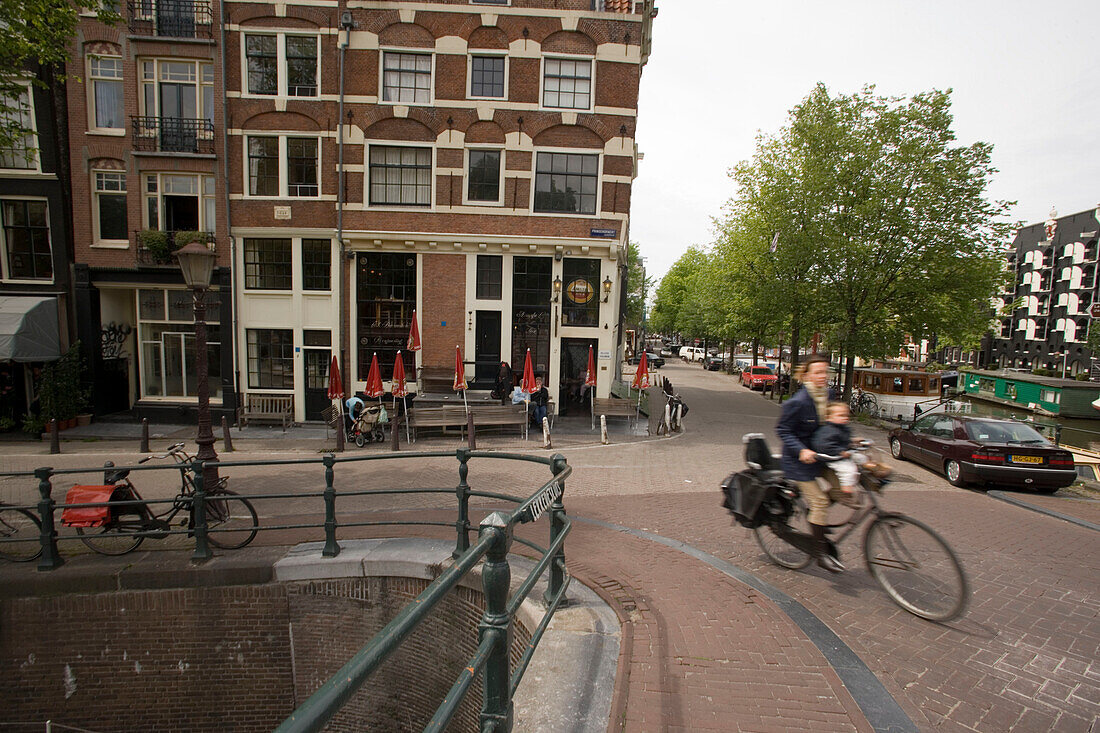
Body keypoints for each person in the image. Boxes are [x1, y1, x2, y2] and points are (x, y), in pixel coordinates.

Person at [776, 354, 858, 573]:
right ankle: (820, 553)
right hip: (799, 462)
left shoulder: (829, 394)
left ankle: (816, 521)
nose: (823, 376)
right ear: (806, 375)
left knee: (845, 491)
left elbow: (834, 423)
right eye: (818, 372)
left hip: (822, 457)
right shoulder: (797, 402)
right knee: (821, 502)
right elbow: (783, 430)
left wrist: (849, 441)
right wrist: (801, 450)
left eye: (825, 372)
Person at [812, 402, 864, 494]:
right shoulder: (827, 430)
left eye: (846, 415)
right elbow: (824, 445)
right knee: (849, 469)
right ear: (829, 417)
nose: (845, 418)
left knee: (860, 457)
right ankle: (846, 487)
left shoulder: (842, 428)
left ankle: (870, 466)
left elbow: (843, 439)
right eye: (841, 415)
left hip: (843, 453)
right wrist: (840, 452)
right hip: (832, 457)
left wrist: (853, 440)